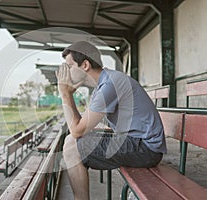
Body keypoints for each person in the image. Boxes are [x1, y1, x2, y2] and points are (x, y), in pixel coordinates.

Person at [56, 41, 166, 200]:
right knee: (71, 141)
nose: (65, 72)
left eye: (69, 66)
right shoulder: (103, 83)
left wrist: (65, 94)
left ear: (85, 65)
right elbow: (80, 128)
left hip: (146, 149)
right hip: (136, 142)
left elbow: (77, 129)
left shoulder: (110, 84)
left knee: (72, 147)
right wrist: (68, 95)